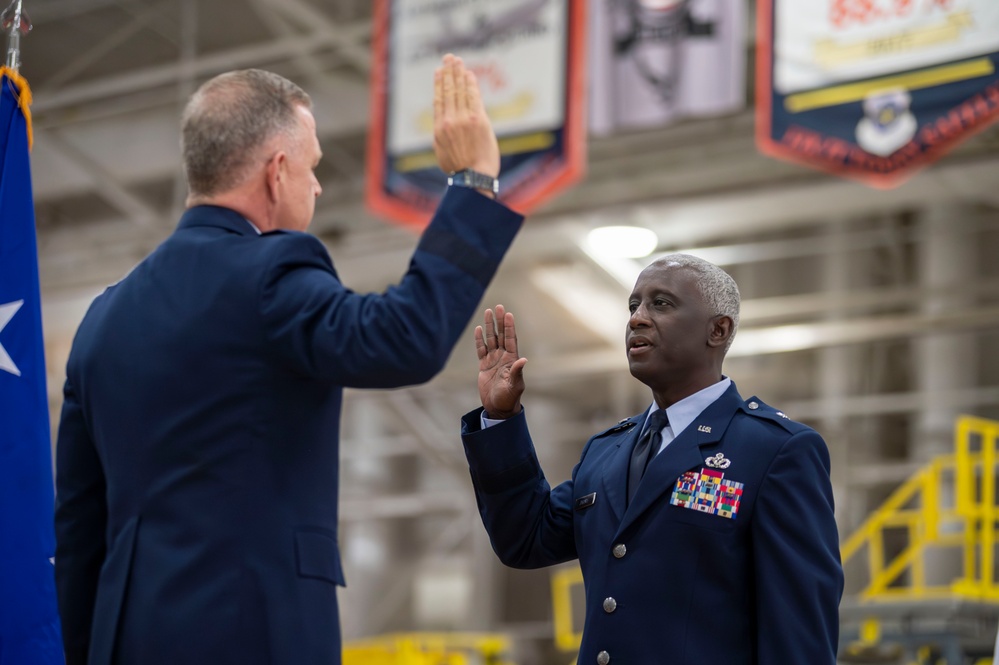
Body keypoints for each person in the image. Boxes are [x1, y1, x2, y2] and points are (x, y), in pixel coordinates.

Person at [54, 55, 523, 665]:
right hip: (252, 630)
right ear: (277, 173)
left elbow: (78, 529)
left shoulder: (102, 320)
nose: (319, 185)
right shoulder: (269, 273)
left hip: (125, 638)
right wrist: (473, 183)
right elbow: (405, 337)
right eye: (312, 168)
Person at [460, 254, 844, 664]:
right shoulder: (607, 452)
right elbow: (525, 540)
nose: (637, 319)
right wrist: (501, 419)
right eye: (633, 306)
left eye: (661, 304)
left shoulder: (774, 450)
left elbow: (798, 633)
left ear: (718, 329)